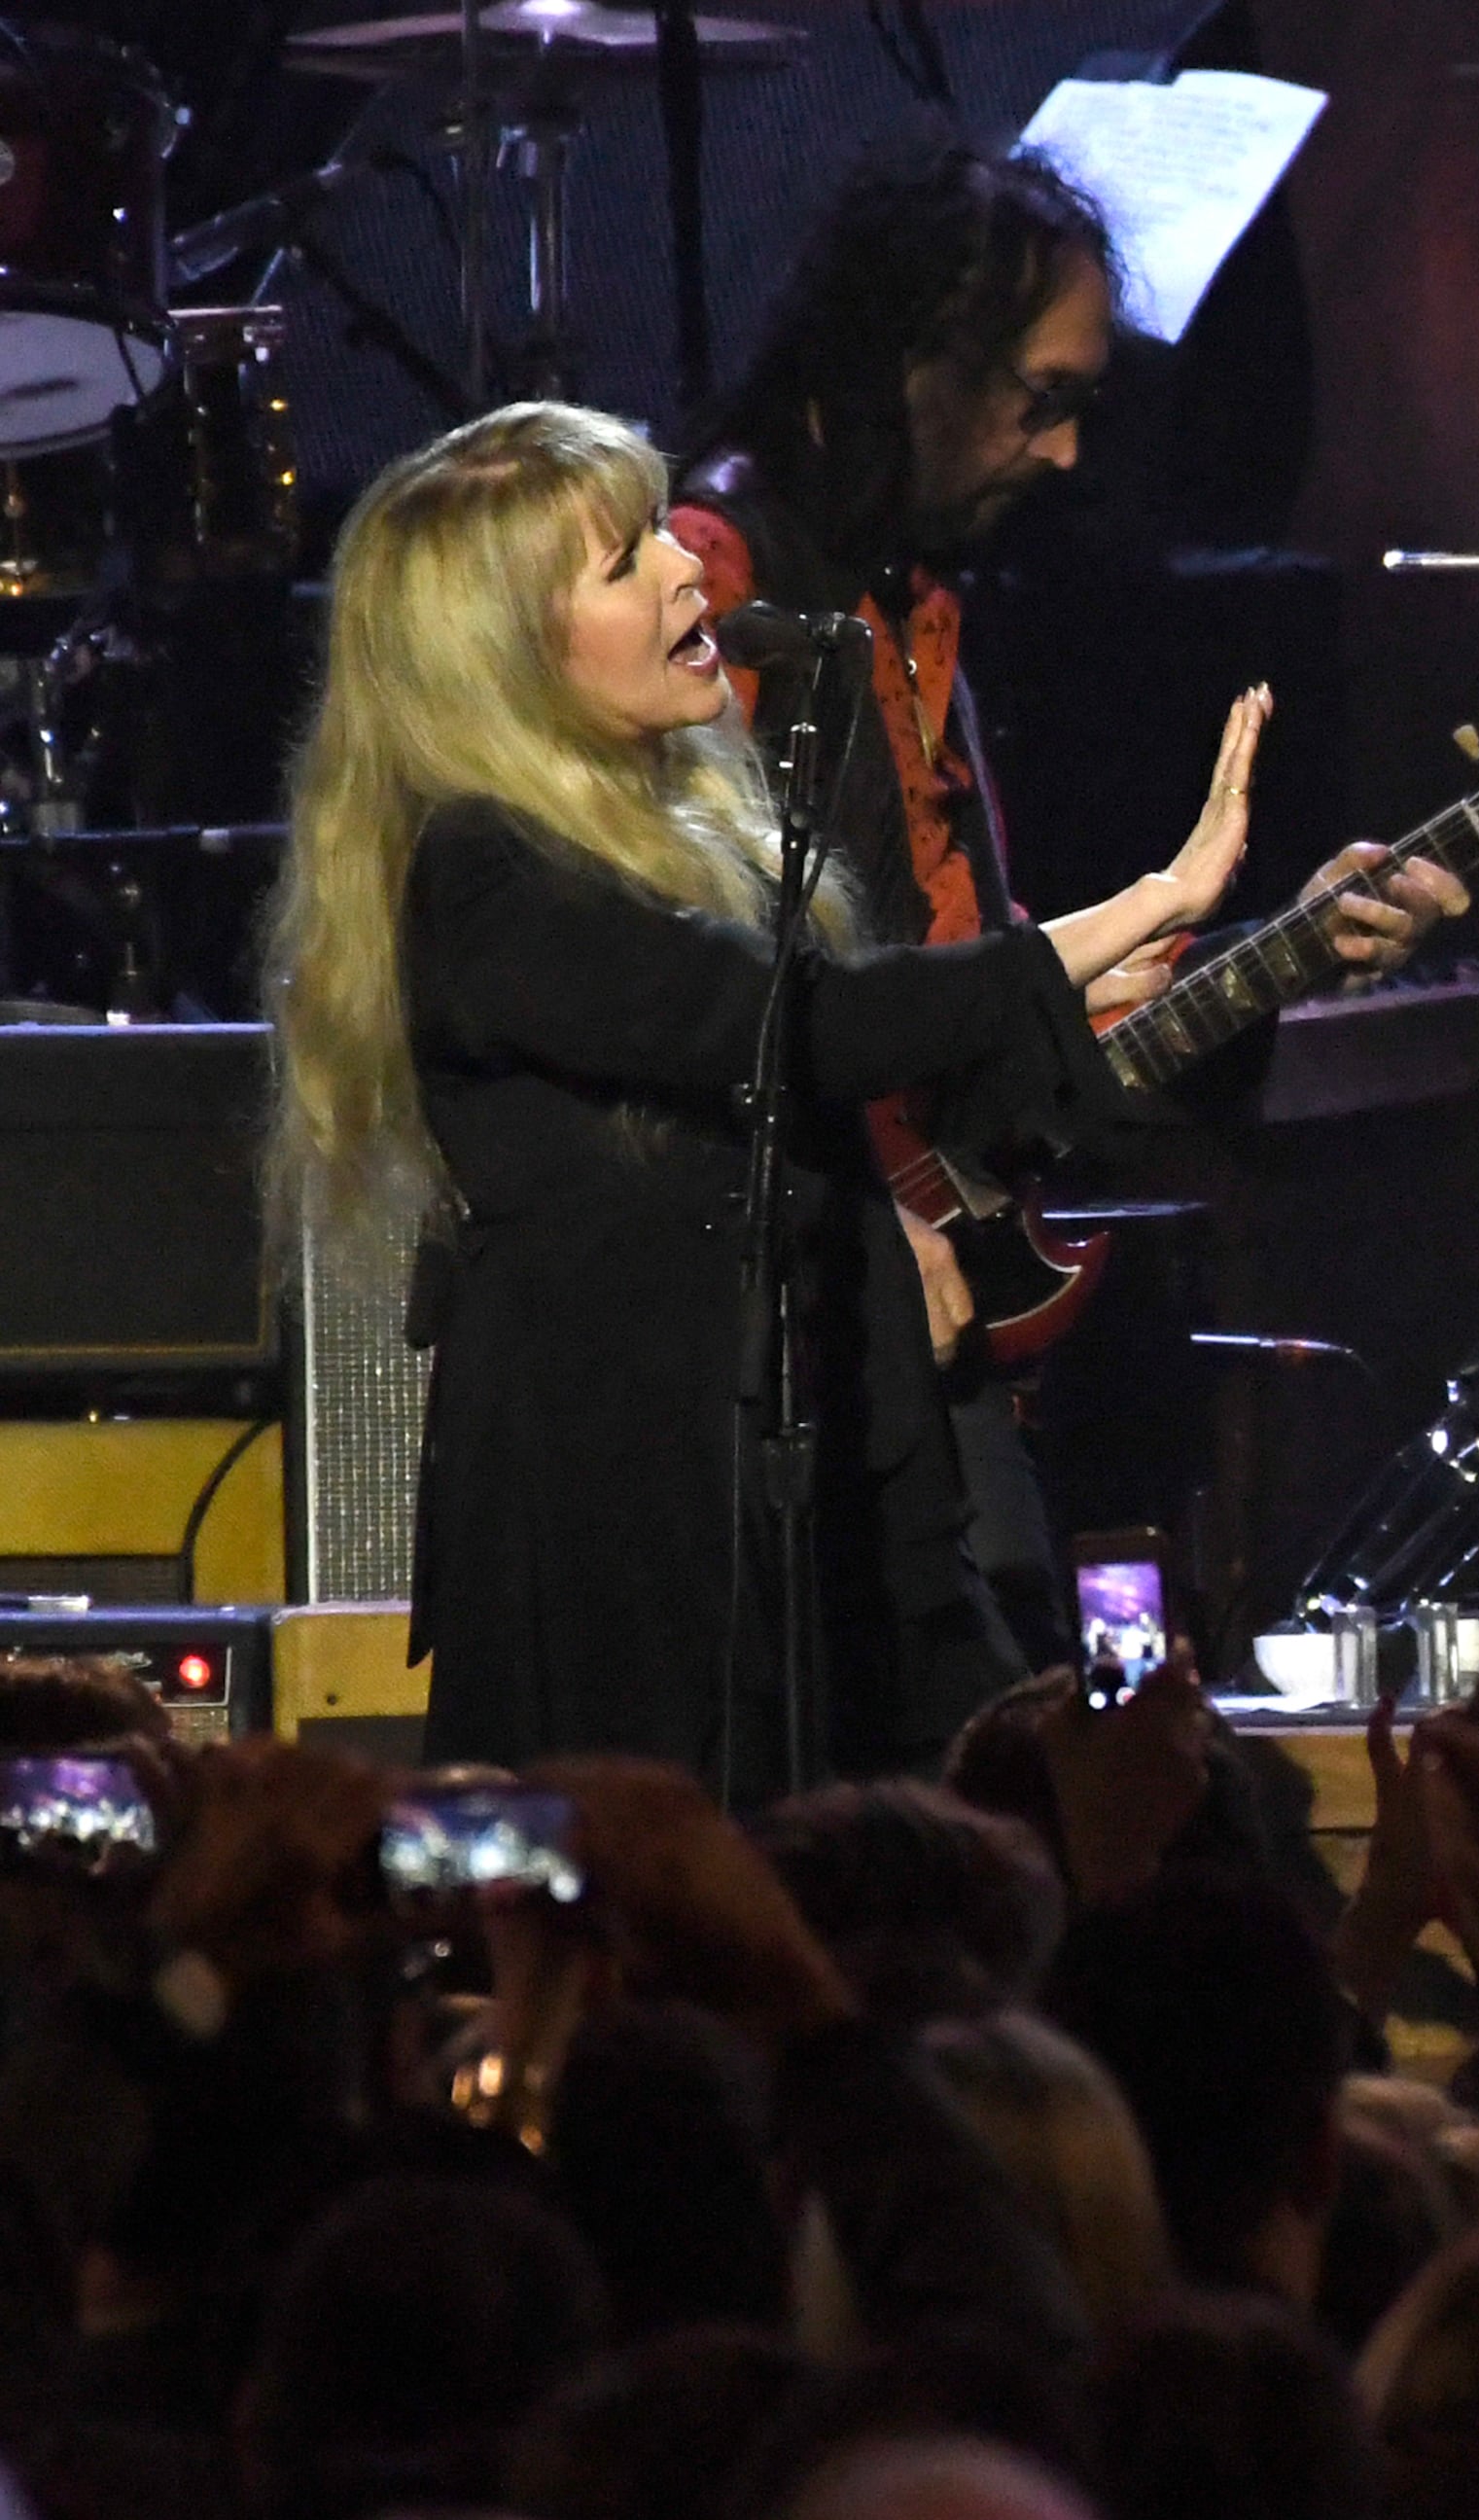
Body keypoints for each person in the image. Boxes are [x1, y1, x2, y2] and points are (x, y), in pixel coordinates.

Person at [264, 402, 1248, 1788]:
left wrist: (1194, 961)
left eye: (663, 526)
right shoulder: (479, 877)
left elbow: (847, 1073)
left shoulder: (688, 826)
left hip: (822, 1472)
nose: (684, 569)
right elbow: (807, 1030)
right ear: (506, 659)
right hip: (635, 1524)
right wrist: (1143, 902)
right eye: (625, 561)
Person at [674, 141, 1468, 1674]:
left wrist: (1280, 949)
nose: (1064, 456)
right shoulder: (713, 584)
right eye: (1043, 398)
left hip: (923, 1302)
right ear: (916, 364)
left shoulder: (915, 609)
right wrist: (834, 1216)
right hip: (789, 1323)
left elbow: (988, 1004)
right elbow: (694, 998)